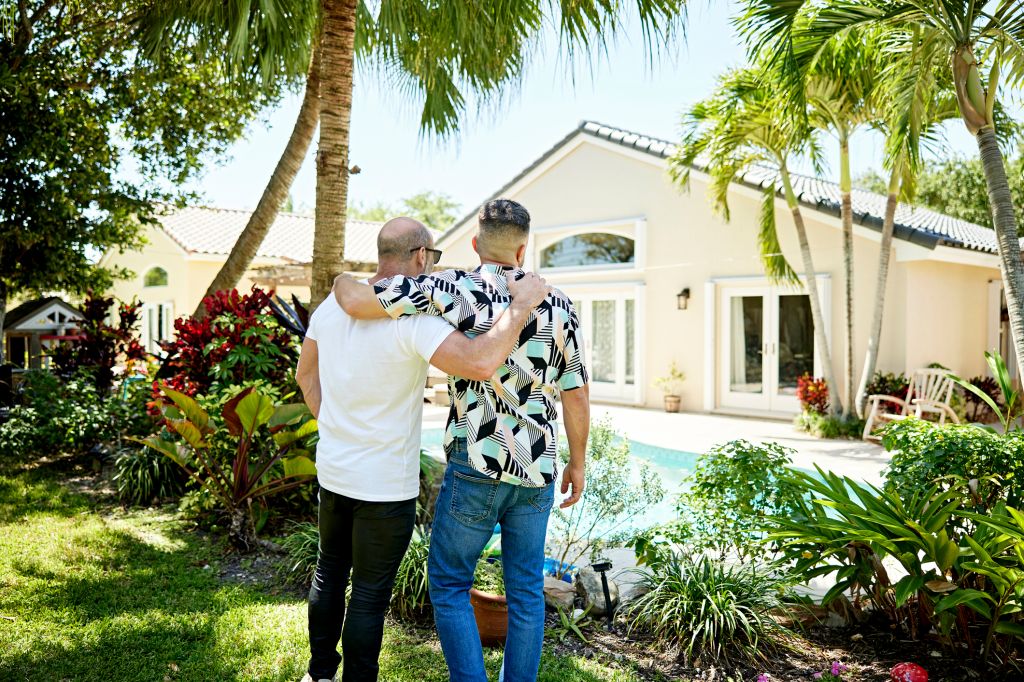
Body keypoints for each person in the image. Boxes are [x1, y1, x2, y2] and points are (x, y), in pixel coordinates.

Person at [333, 199, 591, 682]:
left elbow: (357, 302)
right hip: (538, 468)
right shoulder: (558, 303)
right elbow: (575, 395)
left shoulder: (449, 286)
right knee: (526, 591)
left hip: (477, 460)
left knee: (450, 584)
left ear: (475, 244)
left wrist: (340, 281)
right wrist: (578, 463)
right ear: (522, 247)